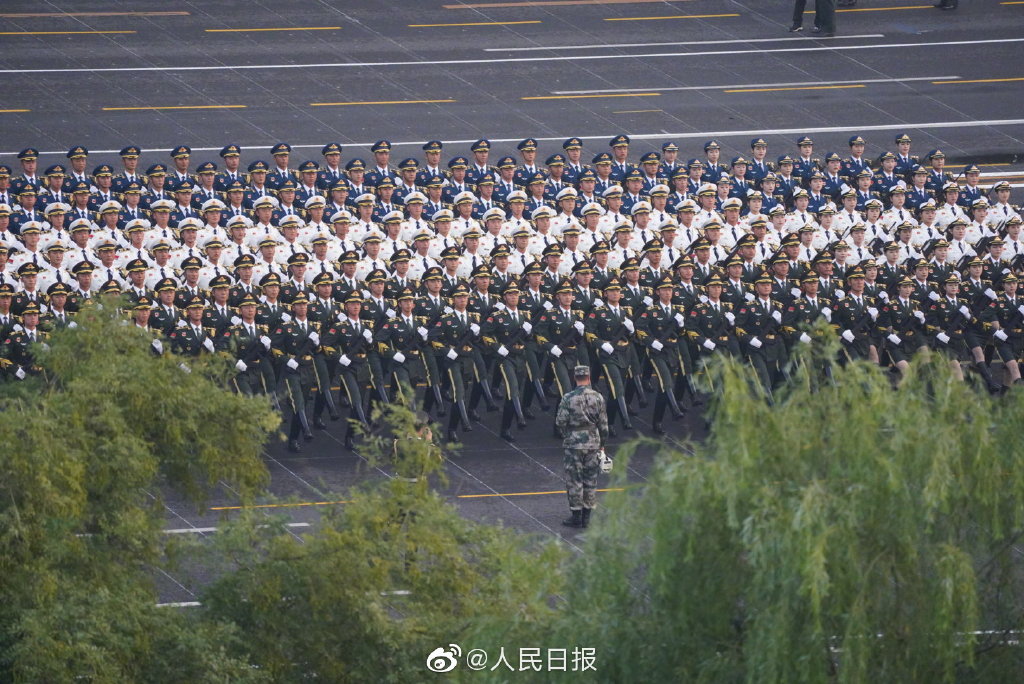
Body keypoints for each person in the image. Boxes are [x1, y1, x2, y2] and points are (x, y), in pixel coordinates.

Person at [555, 364, 608, 530]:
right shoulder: (598, 397)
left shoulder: (568, 398)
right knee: (590, 480)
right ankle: (587, 517)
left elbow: (560, 422)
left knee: (574, 480)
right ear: (589, 378)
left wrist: (568, 435)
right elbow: (604, 425)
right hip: (593, 443)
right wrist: (602, 445)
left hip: (574, 444)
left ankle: (576, 516)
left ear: (575, 378)